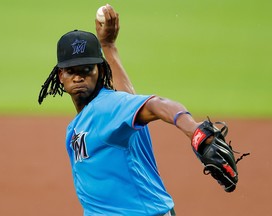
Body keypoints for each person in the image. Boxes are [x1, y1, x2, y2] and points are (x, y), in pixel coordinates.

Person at [38, 5, 209, 216]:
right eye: (71, 70)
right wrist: (108, 45)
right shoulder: (104, 112)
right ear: (59, 76)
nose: (78, 76)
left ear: (100, 71)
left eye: (85, 68)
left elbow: (156, 105)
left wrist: (193, 129)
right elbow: (129, 95)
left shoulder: (107, 107)